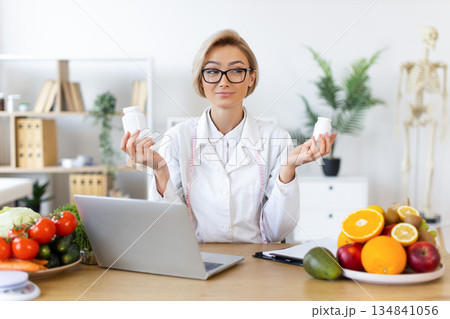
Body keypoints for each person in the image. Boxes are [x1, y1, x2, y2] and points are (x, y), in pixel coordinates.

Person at [121, 29, 337, 243]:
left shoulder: (276, 139)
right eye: (213, 71)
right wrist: (160, 172)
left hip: (256, 263)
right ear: (201, 78)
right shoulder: (177, 137)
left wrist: (287, 169)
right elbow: (168, 230)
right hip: (199, 261)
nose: (224, 82)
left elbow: (276, 233)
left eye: (236, 71)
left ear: (251, 77)